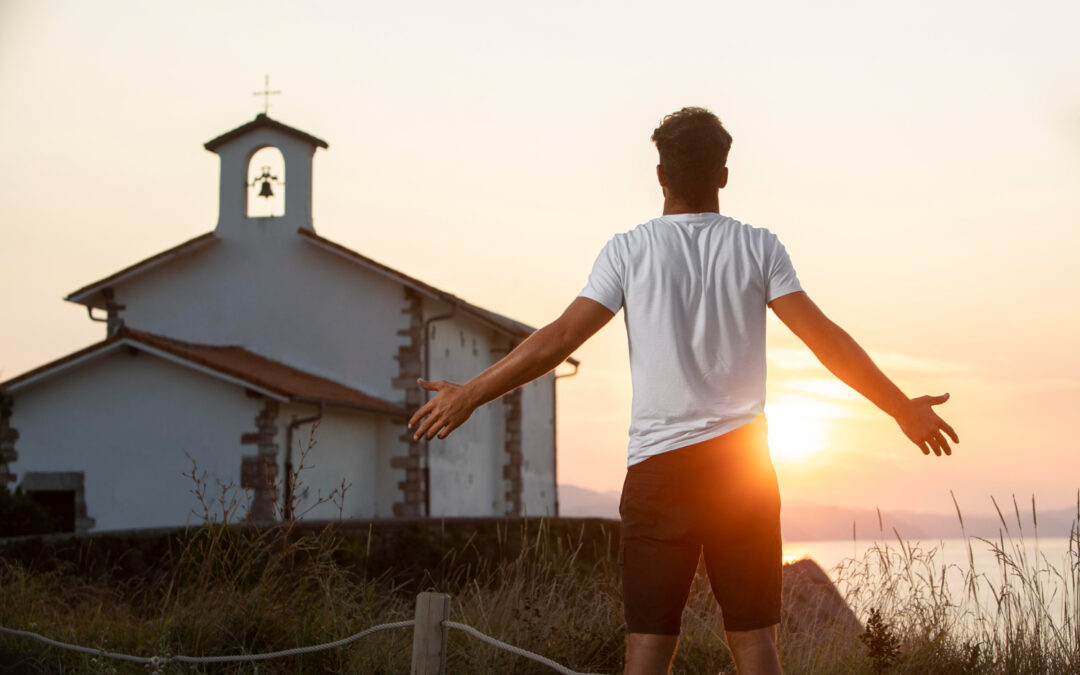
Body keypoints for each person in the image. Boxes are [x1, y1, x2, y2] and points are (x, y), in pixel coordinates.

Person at [408, 107, 958, 675]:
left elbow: (559, 338)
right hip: (740, 471)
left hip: (658, 472)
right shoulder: (758, 247)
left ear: (659, 175)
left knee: (647, 649)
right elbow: (824, 339)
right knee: (755, 644)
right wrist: (899, 407)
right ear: (723, 175)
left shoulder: (628, 250)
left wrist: (470, 393)